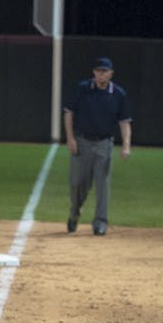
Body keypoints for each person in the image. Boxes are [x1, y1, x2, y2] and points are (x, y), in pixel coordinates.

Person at [63, 57, 132, 236]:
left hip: (104, 143)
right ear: (94, 72)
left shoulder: (118, 94)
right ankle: (74, 213)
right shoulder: (82, 89)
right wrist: (70, 138)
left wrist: (126, 146)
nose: (101, 74)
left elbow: (124, 122)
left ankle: (100, 222)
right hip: (82, 141)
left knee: (103, 185)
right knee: (77, 183)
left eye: (105, 71)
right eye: (98, 71)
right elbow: (69, 113)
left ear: (111, 73)